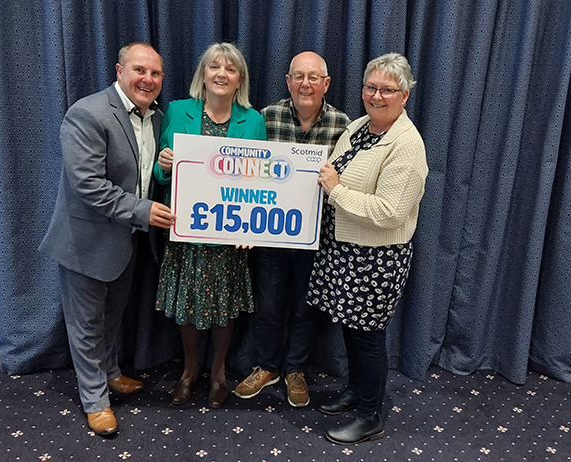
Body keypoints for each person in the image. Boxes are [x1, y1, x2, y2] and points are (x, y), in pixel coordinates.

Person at [39, 43, 175, 436]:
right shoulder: (88, 112)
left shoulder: (157, 118)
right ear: (119, 70)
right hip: (86, 240)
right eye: (139, 70)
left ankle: (111, 372)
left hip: (127, 240)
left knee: (113, 317)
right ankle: (95, 400)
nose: (147, 80)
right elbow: (88, 185)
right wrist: (143, 211)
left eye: (155, 74)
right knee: (86, 324)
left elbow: (147, 175)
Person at [310, 53, 428, 445]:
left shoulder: (407, 145)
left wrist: (336, 191)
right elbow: (334, 169)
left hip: (376, 257)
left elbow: (391, 213)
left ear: (405, 95)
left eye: (387, 90)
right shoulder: (360, 126)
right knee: (349, 326)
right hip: (344, 247)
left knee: (368, 336)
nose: (376, 96)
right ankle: (357, 391)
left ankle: (370, 415)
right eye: (370, 87)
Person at [233, 52, 350, 408]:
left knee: (305, 308)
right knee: (268, 305)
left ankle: (295, 369)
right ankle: (267, 365)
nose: (305, 84)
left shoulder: (343, 126)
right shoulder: (265, 118)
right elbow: (242, 170)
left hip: (318, 239)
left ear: (326, 84)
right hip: (270, 236)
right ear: (288, 81)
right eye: (298, 77)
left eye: (314, 78)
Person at [153, 42, 266, 409]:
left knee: (224, 306)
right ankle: (190, 370)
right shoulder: (177, 111)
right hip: (185, 229)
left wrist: (251, 227)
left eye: (230, 69)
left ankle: (218, 372)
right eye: (214, 67)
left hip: (228, 234)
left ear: (239, 80)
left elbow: (259, 183)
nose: (221, 74)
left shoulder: (254, 121)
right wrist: (164, 165)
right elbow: (159, 172)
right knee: (186, 304)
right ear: (203, 75)